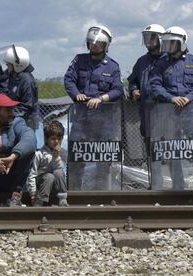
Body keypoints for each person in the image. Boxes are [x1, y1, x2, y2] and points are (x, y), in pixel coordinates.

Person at [64, 25, 123, 190]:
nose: (94, 46)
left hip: (104, 122)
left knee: (103, 161)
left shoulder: (112, 66)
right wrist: (77, 95)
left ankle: (101, 195)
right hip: (82, 121)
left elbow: (118, 90)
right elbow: (69, 80)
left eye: (97, 44)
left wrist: (101, 99)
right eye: (91, 43)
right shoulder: (79, 60)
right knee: (77, 158)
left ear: (105, 46)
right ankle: (74, 194)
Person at [149, 26, 193, 190]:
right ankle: (177, 186)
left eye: (173, 43)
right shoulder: (160, 63)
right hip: (169, 113)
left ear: (182, 43)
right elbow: (155, 84)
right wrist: (172, 98)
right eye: (167, 43)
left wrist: (188, 98)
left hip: (191, 114)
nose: (169, 46)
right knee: (173, 150)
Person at [127, 24, 165, 137]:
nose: (148, 40)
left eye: (152, 37)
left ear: (161, 39)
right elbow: (133, 81)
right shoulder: (141, 61)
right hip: (146, 111)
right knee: (148, 142)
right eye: (146, 37)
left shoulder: (170, 59)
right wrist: (133, 90)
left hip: (167, 110)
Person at [27, 120, 68, 207]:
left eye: (59, 139)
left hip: (56, 185)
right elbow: (32, 174)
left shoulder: (63, 153)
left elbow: (61, 171)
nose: (57, 142)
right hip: (42, 184)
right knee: (49, 176)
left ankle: (63, 199)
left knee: (58, 172)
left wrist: (56, 157)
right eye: (53, 139)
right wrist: (33, 194)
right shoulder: (39, 154)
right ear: (46, 139)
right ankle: (40, 201)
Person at [3, 45, 38, 123]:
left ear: (18, 65)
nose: (6, 65)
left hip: (27, 122)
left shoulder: (27, 80)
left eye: (9, 64)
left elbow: (27, 106)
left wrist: (8, 113)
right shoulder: (12, 76)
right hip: (14, 118)